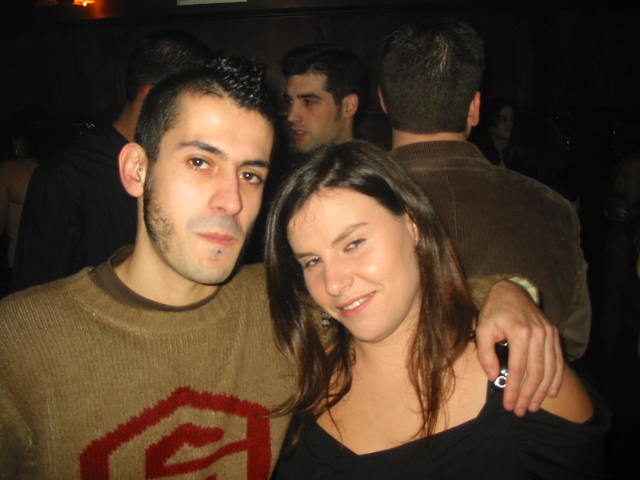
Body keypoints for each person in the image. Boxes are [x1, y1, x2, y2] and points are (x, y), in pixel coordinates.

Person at [0, 56, 562, 478]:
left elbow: (400, 293)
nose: (231, 200)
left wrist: (506, 293)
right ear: (135, 170)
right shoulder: (20, 341)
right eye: (200, 162)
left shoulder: (283, 304)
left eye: (250, 174)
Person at [266, 141, 609, 479]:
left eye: (353, 244)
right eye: (312, 261)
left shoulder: (528, 380)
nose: (334, 283)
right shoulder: (302, 375)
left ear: (413, 226)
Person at [378, 19, 591, 365]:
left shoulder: (342, 205)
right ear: (475, 108)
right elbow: (573, 342)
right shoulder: (553, 208)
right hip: (522, 395)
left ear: (383, 101)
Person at [10, 30, 212, 292]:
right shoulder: (67, 175)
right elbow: (34, 291)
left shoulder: (185, 167)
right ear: (153, 100)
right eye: (193, 104)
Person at [281, 43, 368, 155]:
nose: (291, 117)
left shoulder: (372, 166)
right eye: (290, 101)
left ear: (348, 106)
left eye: (309, 102)